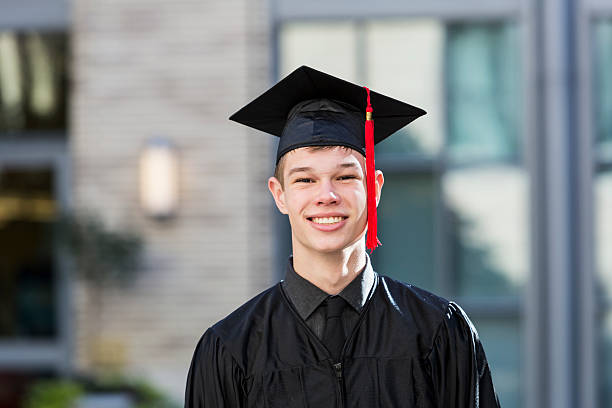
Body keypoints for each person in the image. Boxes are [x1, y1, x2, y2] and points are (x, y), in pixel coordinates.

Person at [185, 66, 500, 407]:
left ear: (373, 188)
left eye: (345, 177)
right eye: (305, 180)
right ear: (280, 195)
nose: (327, 195)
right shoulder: (230, 349)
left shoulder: (439, 332)